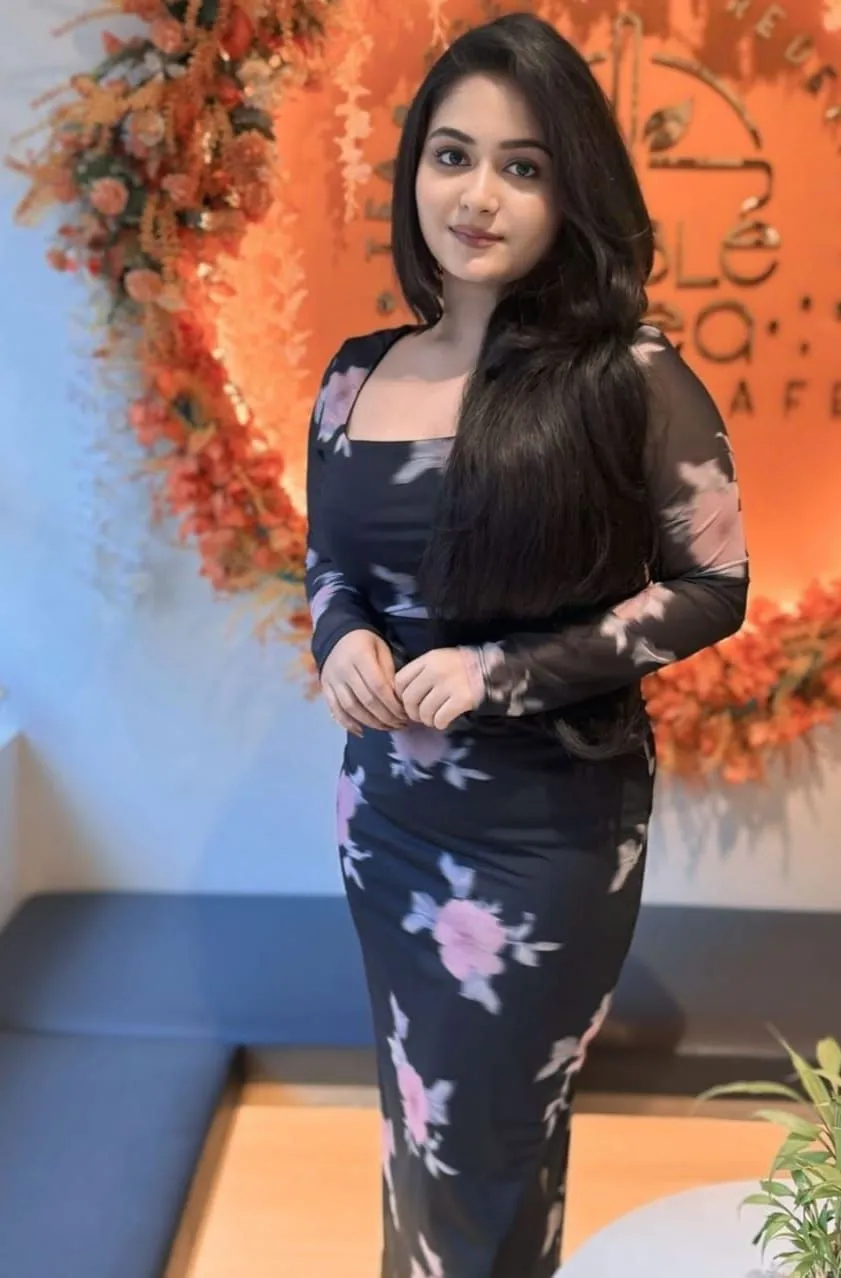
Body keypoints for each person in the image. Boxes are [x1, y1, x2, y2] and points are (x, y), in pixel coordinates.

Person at [304, 12, 749, 1277]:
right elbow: (331, 564)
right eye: (452, 156)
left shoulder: (627, 377)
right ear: (414, 171)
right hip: (387, 822)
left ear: (570, 190)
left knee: (476, 1148)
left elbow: (712, 586)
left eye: (523, 165)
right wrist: (338, 635)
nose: (478, 195)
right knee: (427, 1132)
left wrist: (499, 673)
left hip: (545, 835)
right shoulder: (352, 375)